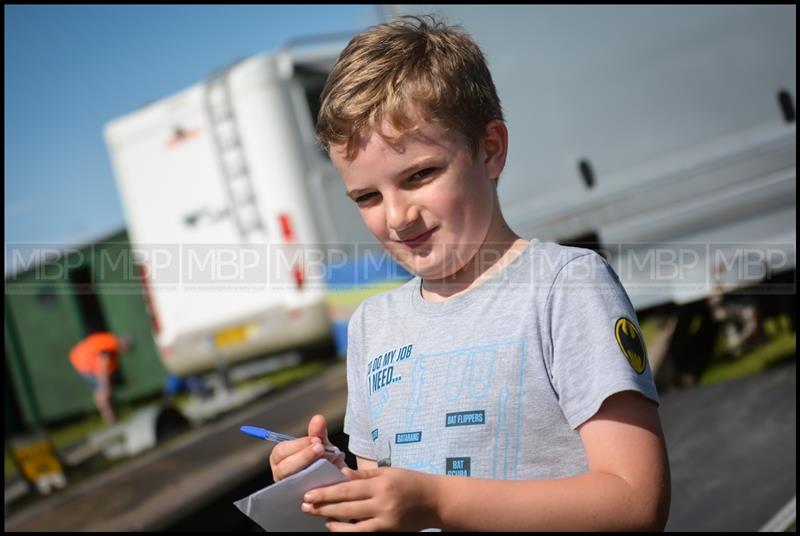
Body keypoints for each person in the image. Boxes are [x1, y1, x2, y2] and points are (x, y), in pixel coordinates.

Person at [269, 15, 670, 531]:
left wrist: (438, 502)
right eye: (367, 196)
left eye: (420, 175)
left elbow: (636, 502)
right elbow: (388, 503)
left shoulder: (563, 286)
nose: (397, 216)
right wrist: (330, 486)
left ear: (491, 150)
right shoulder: (373, 326)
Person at [69, 332, 131, 425]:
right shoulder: (108, 349)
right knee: (103, 391)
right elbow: (102, 369)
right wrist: (105, 386)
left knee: (102, 391)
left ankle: (109, 414)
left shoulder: (110, 342)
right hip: (84, 362)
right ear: (123, 344)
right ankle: (109, 416)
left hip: (81, 358)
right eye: (126, 348)